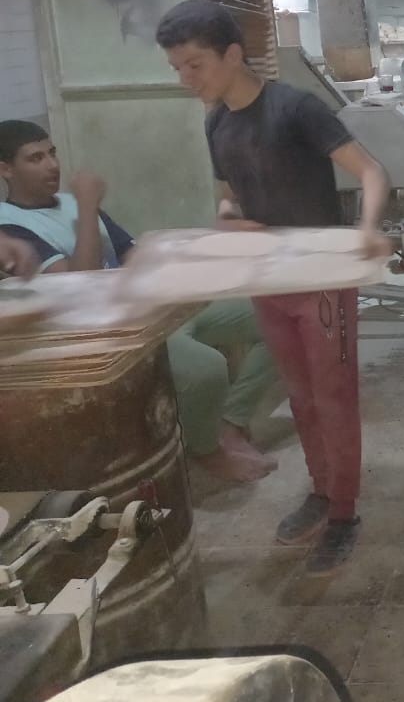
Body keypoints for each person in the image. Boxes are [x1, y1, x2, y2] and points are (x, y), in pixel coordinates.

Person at [156, 0, 391, 575]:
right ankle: (321, 489)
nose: (186, 79)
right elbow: (230, 196)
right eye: (178, 68)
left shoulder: (295, 108)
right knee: (302, 396)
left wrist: (366, 229)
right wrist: (230, 222)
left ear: (233, 54)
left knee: (334, 399)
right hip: (270, 279)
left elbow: (371, 172)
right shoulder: (217, 122)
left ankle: (344, 513)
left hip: (323, 281)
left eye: (195, 65)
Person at [0, 119, 279, 483]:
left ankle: (230, 424)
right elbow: (80, 286)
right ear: (6, 169)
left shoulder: (70, 203)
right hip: (107, 331)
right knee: (206, 369)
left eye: (52, 153)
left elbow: (130, 254)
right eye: (35, 158)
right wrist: (88, 207)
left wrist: (182, 262)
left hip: (145, 307)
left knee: (275, 318)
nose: (52, 165)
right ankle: (207, 453)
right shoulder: (9, 225)